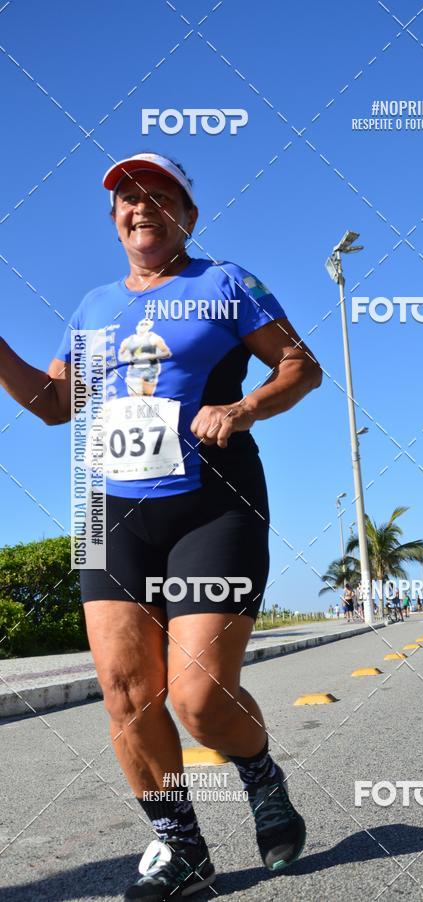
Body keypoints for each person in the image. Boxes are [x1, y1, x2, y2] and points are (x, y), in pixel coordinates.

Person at [0, 152, 322, 899]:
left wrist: (244, 408)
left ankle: (261, 775)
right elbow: (55, 404)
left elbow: (299, 368)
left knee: (200, 699)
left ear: (189, 215)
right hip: (107, 512)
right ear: (114, 219)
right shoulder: (93, 306)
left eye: (158, 196)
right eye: (126, 199)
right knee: (124, 693)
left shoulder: (225, 282)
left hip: (212, 502)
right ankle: (183, 847)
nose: (139, 207)